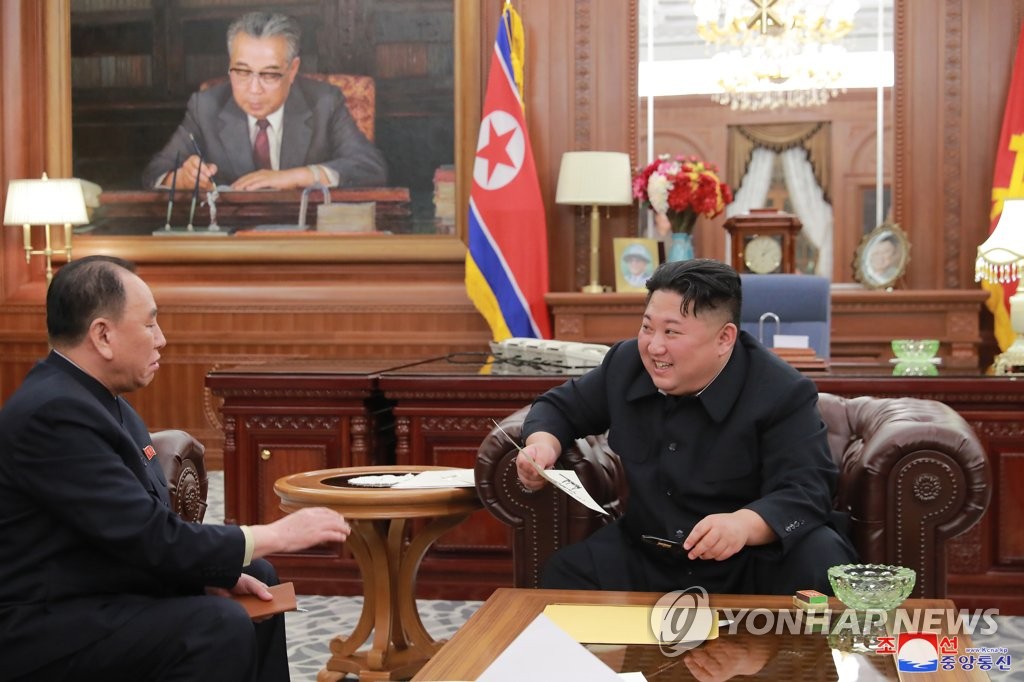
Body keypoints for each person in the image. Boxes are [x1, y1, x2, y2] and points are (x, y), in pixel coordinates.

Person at [0, 255, 352, 681]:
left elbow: (141, 530)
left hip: (100, 588)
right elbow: (146, 536)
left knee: (255, 577)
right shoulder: (53, 413)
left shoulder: (104, 403)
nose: (162, 339)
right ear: (103, 334)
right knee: (215, 626)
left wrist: (206, 573)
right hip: (46, 622)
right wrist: (275, 534)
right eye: (149, 325)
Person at [516, 258, 856, 596]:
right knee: (564, 576)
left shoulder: (781, 391)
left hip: (748, 558)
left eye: (671, 332)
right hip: (648, 553)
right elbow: (558, 407)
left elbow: (807, 490)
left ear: (724, 339)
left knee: (822, 558)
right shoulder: (626, 363)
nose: (654, 346)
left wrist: (743, 524)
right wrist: (542, 445)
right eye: (647, 327)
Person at [142, 11, 387, 192]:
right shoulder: (206, 106)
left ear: (292, 70)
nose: (254, 89)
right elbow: (155, 172)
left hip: (305, 240)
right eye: (242, 72)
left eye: (269, 74)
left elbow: (371, 167)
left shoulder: (324, 102)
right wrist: (180, 178)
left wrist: (296, 176)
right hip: (232, 244)